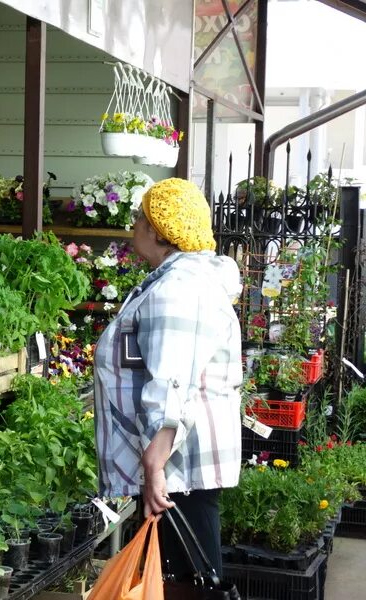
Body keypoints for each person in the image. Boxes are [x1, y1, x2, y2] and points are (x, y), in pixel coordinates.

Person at [93, 178, 242, 578]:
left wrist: (155, 467)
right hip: (176, 469)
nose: (133, 227)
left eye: (139, 218)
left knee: (188, 582)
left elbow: (172, 382)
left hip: (177, 471)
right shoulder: (179, 281)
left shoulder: (178, 289)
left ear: (158, 230)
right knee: (182, 580)